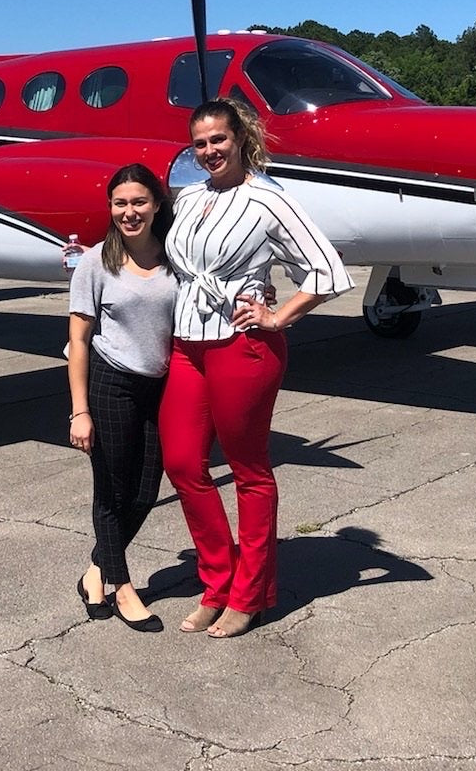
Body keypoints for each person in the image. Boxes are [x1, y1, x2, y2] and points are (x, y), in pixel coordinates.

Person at [161, 96, 354, 638]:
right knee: (182, 463)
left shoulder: (268, 198)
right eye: (199, 143)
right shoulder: (190, 197)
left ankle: (249, 596)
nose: (209, 151)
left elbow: (325, 268)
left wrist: (277, 315)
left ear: (240, 137)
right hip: (186, 343)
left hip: (241, 345)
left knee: (248, 469)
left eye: (218, 140)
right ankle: (218, 580)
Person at [66, 163, 178, 633]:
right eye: (120, 203)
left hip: (159, 385)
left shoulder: (174, 256)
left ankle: (95, 572)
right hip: (110, 382)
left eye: (139, 202)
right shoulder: (96, 262)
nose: (129, 212)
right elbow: (78, 340)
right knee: (112, 490)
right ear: (110, 207)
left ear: (156, 204)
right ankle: (123, 587)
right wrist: (80, 411)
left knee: (146, 489)